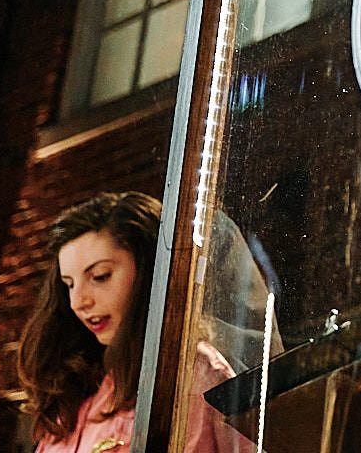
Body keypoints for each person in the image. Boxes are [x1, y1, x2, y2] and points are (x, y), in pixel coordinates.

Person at [17, 191, 253, 453]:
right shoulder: (75, 392)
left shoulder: (190, 372)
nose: (78, 301)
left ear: (148, 272)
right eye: (69, 284)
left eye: (100, 276)